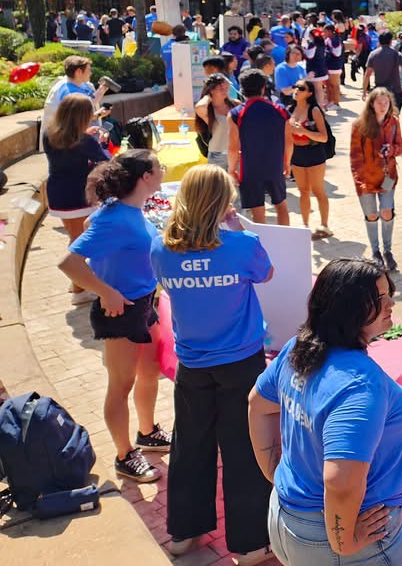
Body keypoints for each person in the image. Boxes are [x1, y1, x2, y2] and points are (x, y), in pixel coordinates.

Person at [248, 259, 402, 566]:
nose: (392, 302)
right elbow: (340, 481)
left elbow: (257, 405)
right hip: (345, 541)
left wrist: (275, 472)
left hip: (288, 520)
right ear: (351, 309)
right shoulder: (361, 386)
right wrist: (345, 542)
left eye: (389, 291)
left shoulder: (299, 349)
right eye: (381, 298)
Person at [152, 166, 274, 561]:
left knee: (190, 446)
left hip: (192, 362)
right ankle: (251, 542)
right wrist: (236, 228)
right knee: (243, 448)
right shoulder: (242, 244)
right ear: (223, 203)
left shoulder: (161, 248)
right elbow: (267, 273)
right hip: (241, 360)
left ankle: (184, 533)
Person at [56, 150, 171, 484]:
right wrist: (106, 291)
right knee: (120, 386)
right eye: (157, 168)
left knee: (149, 373)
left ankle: (147, 433)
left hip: (144, 302)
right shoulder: (116, 217)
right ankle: (124, 455)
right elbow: (68, 263)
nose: (161, 171)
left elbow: (95, 225)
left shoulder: (126, 210)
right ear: (144, 178)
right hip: (120, 310)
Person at [44, 93, 109, 304]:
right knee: (79, 243)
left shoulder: (49, 135)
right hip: (78, 196)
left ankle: (78, 284)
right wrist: (101, 143)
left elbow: (68, 152)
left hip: (57, 194)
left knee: (74, 238)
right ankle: (79, 289)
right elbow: (105, 162)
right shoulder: (85, 141)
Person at [228, 69, 293, 226]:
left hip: (250, 168)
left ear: (242, 89)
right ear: (263, 88)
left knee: (258, 211)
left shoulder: (237, 113)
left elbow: (232, 147)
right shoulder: (280, 111)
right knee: (281, 205)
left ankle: (262, 246)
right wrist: (287, 162)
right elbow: (289, 141)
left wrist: (231, 170)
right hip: (275, 165)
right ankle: (285, 241)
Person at [351, 88, 402, 271]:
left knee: (387, 212)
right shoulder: (360, 125)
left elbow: (401, 145)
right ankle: (375, 252)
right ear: (371, 104)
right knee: (372, 215)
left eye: (386, 103)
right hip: (366, 179)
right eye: (379, 103)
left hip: (387, 176)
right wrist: (360, 182)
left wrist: (392, 150)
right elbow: (355, 157)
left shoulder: (394, 122)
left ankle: (387, 251)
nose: (383, 106)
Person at [287, 80, 332, 239]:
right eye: (295, 87)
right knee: (303, 191)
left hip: (314, 154)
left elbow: (324, 137)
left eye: (301, 88)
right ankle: (305, 225)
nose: (296, 90)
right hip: (297, 154)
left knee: (318, 191)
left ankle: (324, 225)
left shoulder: (314, 110)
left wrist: (304, 131)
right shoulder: (290, 109)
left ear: (309, 93)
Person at [41, 54, 108, 144]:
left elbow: (88, 102)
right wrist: (98, 115)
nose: (91, 73)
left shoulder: (81, 83)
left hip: (84, 135)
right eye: (89, 70)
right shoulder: (68, 93)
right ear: (79, 72)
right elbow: (74, 119)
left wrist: (101, 91)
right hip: (70, 142)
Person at [363, 30, 402, 111]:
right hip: (395, 90)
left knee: (380, 116)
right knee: (394, 116)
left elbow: (367, 74)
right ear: (390, 41)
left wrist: (364, 91)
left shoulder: (373, 54)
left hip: (379, 91)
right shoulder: (397, 54)